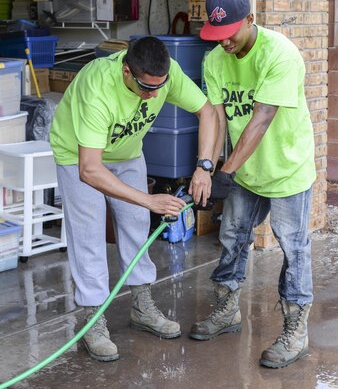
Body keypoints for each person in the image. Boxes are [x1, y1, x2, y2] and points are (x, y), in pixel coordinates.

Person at [49, 36, 219, 362]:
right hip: (78, 157)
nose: (154, 95)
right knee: (89, 231)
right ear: (127, 71)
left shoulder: (165, 75)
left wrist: (204, 167)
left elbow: (207, 112)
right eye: (146, 88)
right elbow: (90, 170)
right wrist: (148, 199)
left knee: (136, 223)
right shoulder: (98, 86)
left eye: (161, 86)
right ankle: (93, 319)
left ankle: (141, 306)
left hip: (126, 154)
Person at [189, 0, 317, 369]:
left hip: (287, 168)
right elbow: (214, 116)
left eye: (229, 33)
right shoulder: (214, 60)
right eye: (217, 35)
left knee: (293, 247)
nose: (223, 42)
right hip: (245, 170)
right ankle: (227, 310)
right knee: (232, 236)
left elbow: (261, 118)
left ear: (251, 19)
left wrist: (225, 172)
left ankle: (296, 331)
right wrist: (206, 166)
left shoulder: (280, 54)